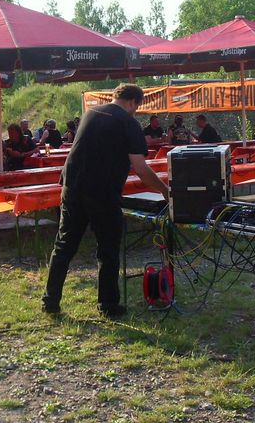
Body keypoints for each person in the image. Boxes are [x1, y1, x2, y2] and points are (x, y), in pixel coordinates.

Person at [42, 83, 169, 318]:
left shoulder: (91, 113)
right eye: (136, 107)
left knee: (64, 245)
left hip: (71, 185)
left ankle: (50, 301)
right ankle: (108, 306)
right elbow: (141, 169)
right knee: (108, 248)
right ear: (133, 102)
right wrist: (164, 190)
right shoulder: (128, 122)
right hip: (101, 190)